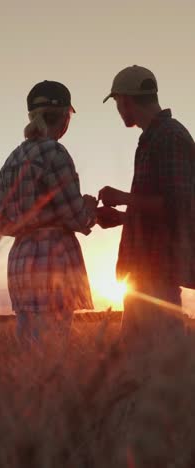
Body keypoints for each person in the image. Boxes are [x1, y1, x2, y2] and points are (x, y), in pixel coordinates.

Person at [0, 80, 97, 349]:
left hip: (20, 266)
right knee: (53, 354)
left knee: (28, 354)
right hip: (53, 264)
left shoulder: (12, 159)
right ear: (64, 116)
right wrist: (90, 207)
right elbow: (77, 218)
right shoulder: (55, 152)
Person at [98, 65, 195, 347]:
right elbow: (158, 209)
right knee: (135, 364)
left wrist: (122, 198)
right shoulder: (153, 136)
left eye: (117, 103)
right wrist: (119, 217)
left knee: (162, 363)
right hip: (143, 273)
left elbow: (178, 206)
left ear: (126, 100)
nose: (118, 110)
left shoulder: (169, 136)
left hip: (159, 271)